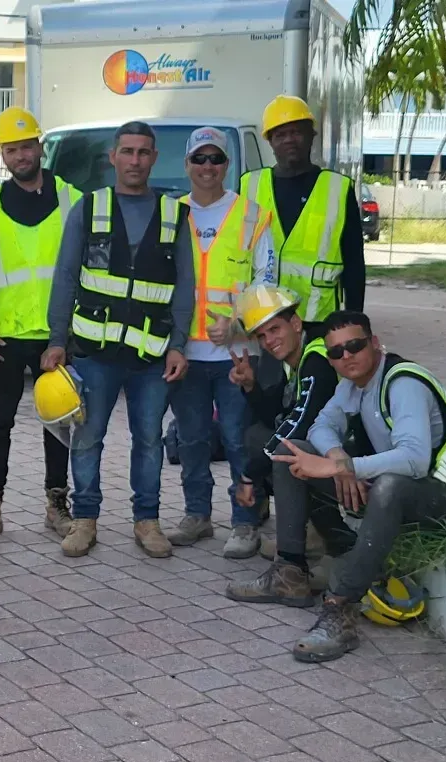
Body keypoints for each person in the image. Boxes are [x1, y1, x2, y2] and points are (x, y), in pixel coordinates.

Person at [227, 310, 446, 663]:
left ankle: (340, 605)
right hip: (402, 491)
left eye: (354, 346)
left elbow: (415, 460)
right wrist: (339, 459)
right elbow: (319, 427)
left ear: (374, 344)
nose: (346, 357)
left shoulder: (403, 383)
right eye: (336, 353)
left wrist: (345, 467)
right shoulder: (352, 386)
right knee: (292, 453)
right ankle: (290, 571)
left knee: (388, 485)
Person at [43, 120, 194, 558]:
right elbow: (66, 276)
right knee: (88, 439)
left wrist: (179, 344)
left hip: (151, 354)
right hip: (95, 353)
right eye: (127, 151)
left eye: (144, 152)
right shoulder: (88, 209)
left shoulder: (173, 214)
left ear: (153, 158)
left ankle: (147, 521)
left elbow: (185, 286)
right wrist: (57, 338)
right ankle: (85, 520)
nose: (135, 160)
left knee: (148, 440)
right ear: (113, 157)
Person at [0, 106, 83, 542]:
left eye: (27, 146)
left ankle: (57, 504)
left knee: (59, 422)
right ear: (3, 155)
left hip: (57, 338)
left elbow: (83, 271)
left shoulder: (72, 200)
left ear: (40, 147)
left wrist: (70, 333)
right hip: (3, 336)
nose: (21, 156)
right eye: (11, 149)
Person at [167, 127, 277, 559]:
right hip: (185, 355)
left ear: (227, 165)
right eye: (200, 159)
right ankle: (197, 515)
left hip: (237, 353)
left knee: (238, 440)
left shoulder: (252, 215)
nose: (208, 167)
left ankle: (245, 522)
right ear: (188, 165)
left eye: (216, 159)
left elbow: (265, 283)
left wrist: (237, 325)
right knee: (192, 439)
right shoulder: (172, 214)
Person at [229, 284, 340, 564]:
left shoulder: (318, 358)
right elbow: (276, 414)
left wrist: (248, 477)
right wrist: (251, 386)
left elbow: (299, 424)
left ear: (295, 323)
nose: (269, 341)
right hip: (336, 450)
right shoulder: (295, 357)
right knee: (260, 437)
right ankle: (309, 531)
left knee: (288, 450)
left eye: (275, 329)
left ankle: (316, 541)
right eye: (262, 335)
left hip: (355, 457)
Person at [240, 95, 365, 333]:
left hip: (320, 321)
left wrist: (354, 319)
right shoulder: (249, 186)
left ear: (311, 137)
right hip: (265, 318)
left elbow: (354, 263)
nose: (289, 140)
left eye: (297, 132)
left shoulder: (337, 189)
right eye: (280, 134)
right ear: (270, 141)